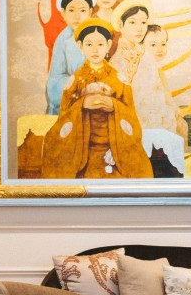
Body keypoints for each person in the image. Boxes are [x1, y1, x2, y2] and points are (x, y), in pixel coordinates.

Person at [41, 19, 153, 180]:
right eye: (89, 44)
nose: (95, 50)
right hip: (82, 150)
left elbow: (132, 119)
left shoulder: (120, 80)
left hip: (114, 149)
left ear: (108, 45)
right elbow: (63, 119)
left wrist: (114, 106)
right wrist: (81, 105)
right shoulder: (73, 82)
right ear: (80, 46)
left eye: (100, 44)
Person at [128, 23, 186, 177]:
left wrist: (176, 113)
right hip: (146, 124)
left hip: (162, 120)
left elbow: (167, 98)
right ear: (141, 46)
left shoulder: (157, 70)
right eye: (153, 45)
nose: (159, 49)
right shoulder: (139, 70)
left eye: (163, 44)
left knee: (181, 127)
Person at [44, 0, 96, 114]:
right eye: (71, 10)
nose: (77, 16)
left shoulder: (97, 34)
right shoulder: (63, 40)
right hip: (71, 101)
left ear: (90, 12)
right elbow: (55, 79)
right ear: (63, 13)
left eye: (82, 10)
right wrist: (78, 85)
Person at [110, 1, 150, 66]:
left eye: (143, 22)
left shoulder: (145, 52)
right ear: (121, 25)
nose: (139, 29)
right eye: (132, 22)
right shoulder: (112, 50)